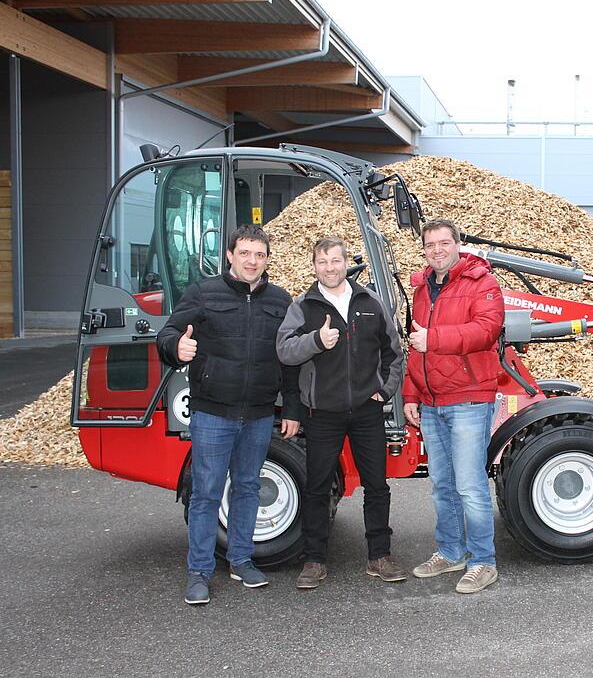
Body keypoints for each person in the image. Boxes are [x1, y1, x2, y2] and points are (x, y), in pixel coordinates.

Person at [156, 224, 300, 606]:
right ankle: (199, 572)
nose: (252, 261)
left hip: (258, 413)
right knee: (205, 493)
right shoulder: (204, 294)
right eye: (245, 253)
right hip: (213, 413)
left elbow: (289, 360)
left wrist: (293, 407)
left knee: (248, 487)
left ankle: (241, 560)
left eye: (260, 254)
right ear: (230, 256)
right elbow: (167, 332)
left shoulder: (280, 301)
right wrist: (176, 347)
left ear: (267, 259)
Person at [276, 237, 406, 589]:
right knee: (317, 487)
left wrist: (385, 390)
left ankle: (379, 556)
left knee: (376, 485)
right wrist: (317, 341)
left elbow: (394, 352)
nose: (329, 267)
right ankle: (314, 560)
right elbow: (285, 351)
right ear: (314, 265)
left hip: (366, 410)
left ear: (346, 263)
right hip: (322, 413)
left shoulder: (370, 302)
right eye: (322, 261)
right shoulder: (303, 306)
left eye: (335, 261)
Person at [402, 218, 505, 594]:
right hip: (431, 401)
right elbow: (415, 344)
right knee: (442, 485)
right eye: (430, 245)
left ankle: (483, 561)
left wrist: (436, 339)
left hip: (469, 399)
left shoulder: (482, 282)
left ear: (457, 245)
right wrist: (411, 394)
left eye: (443, 243)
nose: (437, 250)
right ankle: (450, 551)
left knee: (470, 486)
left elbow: (486, 330)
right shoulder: (421, 289)